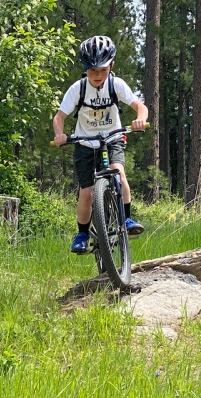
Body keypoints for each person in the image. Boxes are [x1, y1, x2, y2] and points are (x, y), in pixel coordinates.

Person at [53, 35, 149, 254]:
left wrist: (140, 119)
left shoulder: (117, 85)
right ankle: (82, 233)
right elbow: (59, 117)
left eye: (102, 70)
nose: (97, 75)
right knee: (86, 192)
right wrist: (60, 134)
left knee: (118, 173)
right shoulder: (78, 89)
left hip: (112, 138)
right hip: (85, 143)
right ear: (85, 69)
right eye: (92, 70)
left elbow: (140, 107)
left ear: (111, 66)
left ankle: (126, 219)